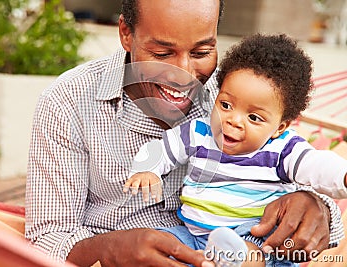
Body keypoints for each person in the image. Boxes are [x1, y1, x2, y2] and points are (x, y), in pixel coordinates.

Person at [25, 0, 344, 266]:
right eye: (162, 54)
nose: (184, 75)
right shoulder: (69, 100)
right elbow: (47, 236)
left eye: (202, 52)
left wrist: (318, 207)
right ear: (126, 33)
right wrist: (109, 249)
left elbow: (291, 160)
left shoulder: (239, 92)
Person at [123, 33, 347, 266]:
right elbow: (161, 149)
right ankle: (213, 258)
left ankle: (232, 258)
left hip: (254, 234)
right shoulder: (199, 133)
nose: (233, 121)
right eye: (226, 105)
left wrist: (343, 175)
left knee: (254, 254)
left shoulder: (282, 149)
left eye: (253, 117)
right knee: (159, 243)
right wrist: (147, 170)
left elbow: (317, 165)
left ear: (279, 127)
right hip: (193, 234)